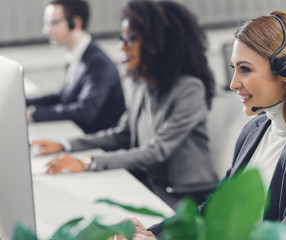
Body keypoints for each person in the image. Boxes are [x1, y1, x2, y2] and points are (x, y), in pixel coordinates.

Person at [125, 10, 286, 240]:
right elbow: (217, 210)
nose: (233, 84)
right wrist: (154, 234)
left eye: (245, 69)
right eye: (234, 69)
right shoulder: (254, 130)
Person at [31, 0, 218, 209]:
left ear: (155, 43)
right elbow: (122, 134)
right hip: (152, 186)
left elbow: (156, 151)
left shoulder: (189, 89)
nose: (122, 46)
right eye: (122, 37)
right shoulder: (143, 84)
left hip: (187, 198)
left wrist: (87, 162)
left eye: (131, 39)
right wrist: (66, 144)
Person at [26, 0, 126, 134]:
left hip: (100, 145)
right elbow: (63, 96)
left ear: (75, 23)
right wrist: (24, 102)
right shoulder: (77, 55)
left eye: (52, 23)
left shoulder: (98, 64)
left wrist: (35, 114)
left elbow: (85, 112)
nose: (46, 30)